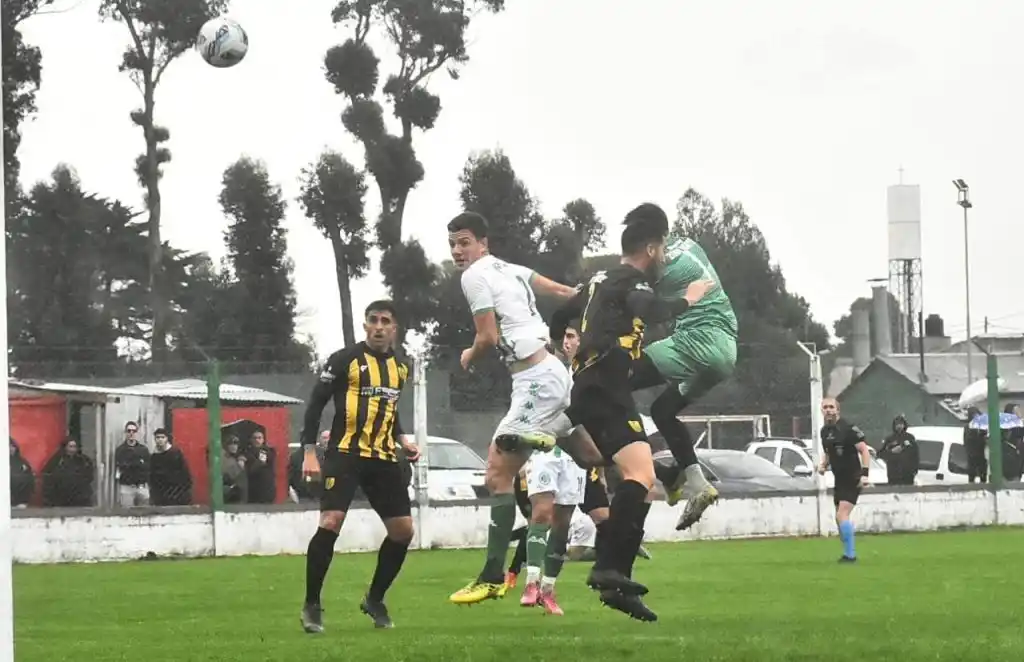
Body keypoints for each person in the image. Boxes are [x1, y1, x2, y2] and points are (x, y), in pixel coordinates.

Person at [549, 203, 713, 621]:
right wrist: (688, 299)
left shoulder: (596, 280)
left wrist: (566, 352)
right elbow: (650, 309)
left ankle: (616, 579)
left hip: (594, 384)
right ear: (652, 247)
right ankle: (609, 569)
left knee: (640, 474)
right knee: (640, 476)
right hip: (606, 385)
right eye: (663, 249)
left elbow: (560, 316)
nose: (664, 257)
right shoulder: (631, 280)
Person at [445, 211, 581, 606]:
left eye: (464, 242)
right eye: (453, 243)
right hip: (554, 371)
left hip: (534, 379)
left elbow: (486, 336)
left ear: (483, 242)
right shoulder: (506, 267)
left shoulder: (473, 277)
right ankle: (667, 469)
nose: (457, 250)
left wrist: (470, 354)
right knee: (591, 454)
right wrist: (586, 293)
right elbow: (554, 287)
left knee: (496, 471)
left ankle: (491, 576)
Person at [297, 300, 421, 632]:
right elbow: (314, 406)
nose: (378, 326)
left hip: (382, 458)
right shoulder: (344, 360)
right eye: (373, 320)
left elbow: (388, 410)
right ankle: (312, 605)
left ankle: (375, 599)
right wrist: (310, 452)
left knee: (403, 531)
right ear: (365, 326)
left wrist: (403, 440)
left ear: (394, 328)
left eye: (385, 321)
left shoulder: (401, 368)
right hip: (345, 454)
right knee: (331, 521)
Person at [629, 234, 738, 531]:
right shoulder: (688, 244)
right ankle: (688, 479)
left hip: (697, 343)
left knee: (614, 381)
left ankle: (643, 461)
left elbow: (643, 306)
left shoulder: (664, 269)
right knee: (663, 410)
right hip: (726, 349)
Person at [816, 398, 871, 563]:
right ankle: (848, 551)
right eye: (825, 407)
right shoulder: (824, 431)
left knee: (842, 514)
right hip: (839, 479)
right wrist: (823, 465)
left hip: (852, 477)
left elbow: (864, 451)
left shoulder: (848, 428)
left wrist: (865, 474)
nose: (828, 410)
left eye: (831, 407)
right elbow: (828, 452)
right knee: (839, 518)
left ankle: (850, 555)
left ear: (838, 410)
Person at [878, 415, 918, 486]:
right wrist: (892, 451)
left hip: (907, 474)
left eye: (901, 424)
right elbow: (881, 454)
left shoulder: (910, 438)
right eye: (897, 424)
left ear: (904, 425)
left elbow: (915, 454)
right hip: (893, 474)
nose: (899, 426)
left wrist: (915, 470)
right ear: (894, 426)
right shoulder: (890, 439)